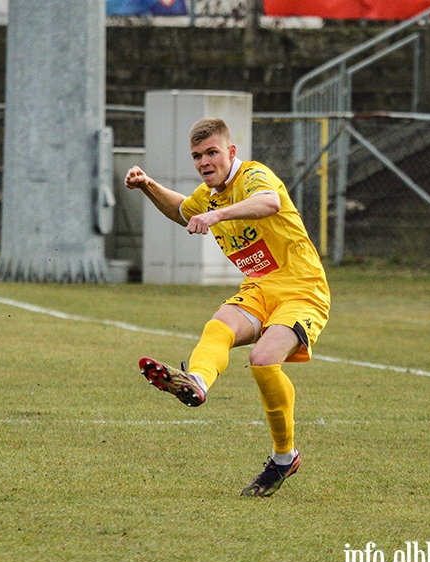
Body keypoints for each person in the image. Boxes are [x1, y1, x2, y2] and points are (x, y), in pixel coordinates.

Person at [126, 117, 330, 497]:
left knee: (264, 358)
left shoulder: (253, 176)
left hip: (301, 290)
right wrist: (148, 185)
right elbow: (182, 210)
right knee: (219, 325)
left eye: (212, 153)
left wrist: (216, 215)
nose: (204, 162)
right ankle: (197, 382)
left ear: (231, 152)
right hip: (258, 288)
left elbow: (269, 203)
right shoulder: (209, 193)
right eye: (197, 156)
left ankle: (284, 457)